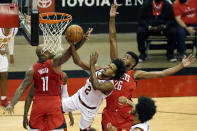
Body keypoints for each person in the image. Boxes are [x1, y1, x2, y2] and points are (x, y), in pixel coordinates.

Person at [101, 3, 195, 131]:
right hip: (109, 115)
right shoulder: (115, 68)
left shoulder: (135, 74)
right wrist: (112, 19)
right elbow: (112, 38)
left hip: (126, 117)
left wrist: (181, 66)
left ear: (133, 64)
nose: (124, 58)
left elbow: (161, 73)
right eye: (124, 56)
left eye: (127, 57)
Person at [3, 28, 93, 131]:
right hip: (54, 104)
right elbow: (70, 52)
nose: (51, 49)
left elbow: (22, 89)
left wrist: (12, 104)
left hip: (38, 105)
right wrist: (80, 41)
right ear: (45, 53)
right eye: (48, 49)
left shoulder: (31, 70)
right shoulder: (55, 64)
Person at [61, 40, 126, 131]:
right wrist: (72, 44)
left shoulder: (110, 85)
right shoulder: (97, 69)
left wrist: (91, 65)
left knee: (84, 130)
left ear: (113, 75)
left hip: (89, 110)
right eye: (108, 65)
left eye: (110, 68)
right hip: (77, 98)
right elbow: (77, 61)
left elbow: (96, 85)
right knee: (56, 108)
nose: (107, 67)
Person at [0, 27, 18, 107]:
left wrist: (11, 54)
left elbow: (11, 40)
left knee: (4, 75)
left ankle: (3, 99)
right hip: (1, 51)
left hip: (2, 53)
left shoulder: (14, 29)